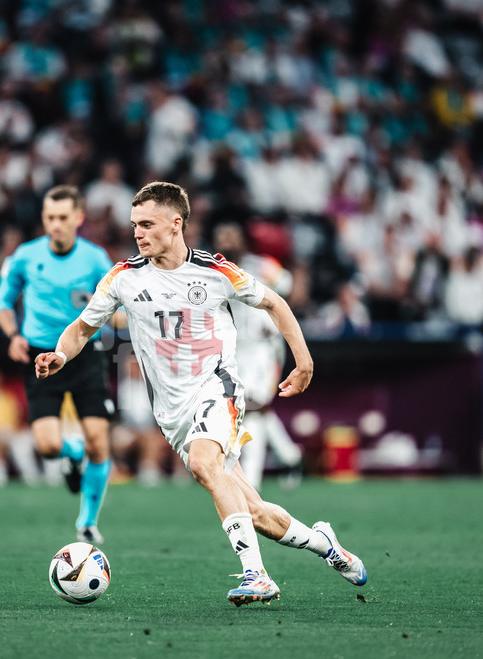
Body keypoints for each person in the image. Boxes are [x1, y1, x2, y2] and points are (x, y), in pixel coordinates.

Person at [35, 182, 367, 605]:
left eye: (147, 224)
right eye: (135, 224)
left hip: (219, 387)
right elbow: (82, 327)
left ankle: (257, 575)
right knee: (258, 513)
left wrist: (304, 362)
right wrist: (60, 356)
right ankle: (327, 545)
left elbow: (276, 304)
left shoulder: (215, 271)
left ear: (176, 225)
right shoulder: (123, 277)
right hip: (173, 413)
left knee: (203, 461)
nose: (137, 233)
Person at [0, 185, 116, 543]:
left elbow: (118, 301)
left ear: (78, 219)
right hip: (40, 357)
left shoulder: (95, 259)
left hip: (85, 354)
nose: (56, 224)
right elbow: (2, 300)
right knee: (48, 446)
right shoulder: (25, 256)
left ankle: (87, 522)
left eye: (63, 217)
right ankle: (71, 452)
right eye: (50, 217)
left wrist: (107, 307)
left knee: (99, 441)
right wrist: (13, 335)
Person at [212, 222, 303, 490]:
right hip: (233, 348)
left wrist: (273, 317)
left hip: (263, 348)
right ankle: (291, 456)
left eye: (231, 234)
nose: (226, 240)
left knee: (254, 406)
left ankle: (251, 483)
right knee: (245, 406)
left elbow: (288, 285)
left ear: (242, 240)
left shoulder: (260, 266)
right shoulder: (211, 271)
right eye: (221, 235)